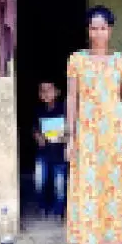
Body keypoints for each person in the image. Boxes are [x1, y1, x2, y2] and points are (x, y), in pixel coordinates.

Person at [65, 5, 122, 244]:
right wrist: (70, 135)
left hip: (115, 135)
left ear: (110, 30)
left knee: (116, 188)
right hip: (87, 136)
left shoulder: (120, 60)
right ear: (88, 30)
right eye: (93, 28)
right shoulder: (77, 60)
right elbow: (72, 97)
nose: (98, 33)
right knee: (89, 188)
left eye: (103, 28)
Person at [32, 80, 68, 219]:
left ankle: (58, 211)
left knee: (59, 185)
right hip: (43, 153)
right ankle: (43, 207)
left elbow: (70, 129)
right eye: (42, 90)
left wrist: (66, 137)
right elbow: (34, 128)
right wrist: (37, 136)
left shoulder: (64, 109)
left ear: (58, 92)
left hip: (60, 153)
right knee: (40, 182)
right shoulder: (38, 110)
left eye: (49, 89)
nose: (45, 93)